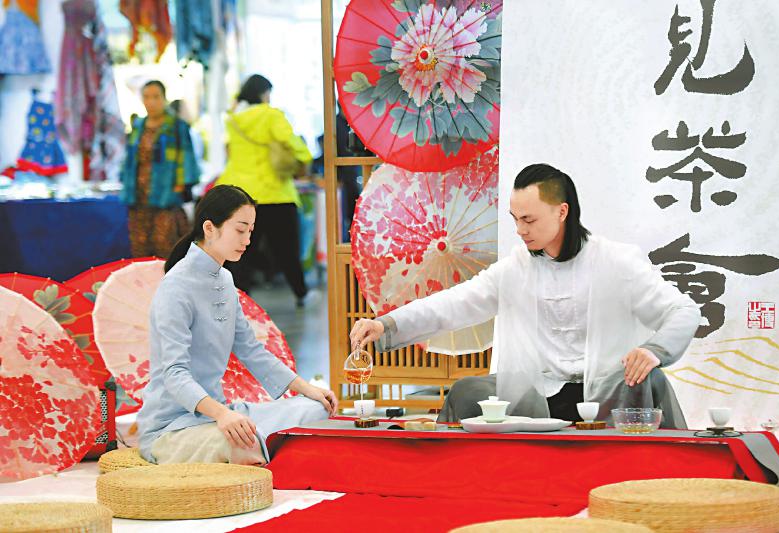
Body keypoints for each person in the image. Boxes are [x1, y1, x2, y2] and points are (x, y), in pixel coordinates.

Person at [349, 164, 700, 427]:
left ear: (562, 211)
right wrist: (387, 324)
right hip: (537, 395)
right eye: (515, 219)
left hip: (606, 393)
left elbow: (683, 310)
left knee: (649, 380)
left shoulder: (616, 261)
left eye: (529, 220)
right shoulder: (516, 268)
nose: (520, 230)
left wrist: (654, 351)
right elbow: (454, 304)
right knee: (467, 391)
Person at [136, 185, 337, 464]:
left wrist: (307, 388)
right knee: (242, 442)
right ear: (209, 228)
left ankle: (262, 448)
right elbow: (174, 374)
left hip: (221, 414)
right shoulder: (176, 286)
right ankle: (262, 449)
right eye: (240, 230)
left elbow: (251, 350)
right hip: (173, 427)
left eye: (251, 231)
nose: (247, 240)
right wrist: (222, 414)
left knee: (316, 410)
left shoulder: (225, 280)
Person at [216, 74, 313, 304]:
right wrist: (304, 157)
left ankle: (240, 299)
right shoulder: (271, 115)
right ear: (263, 93)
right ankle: (300, 293)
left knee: (241, 251)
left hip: (240, 195)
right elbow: (293, 144)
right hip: (275, 193)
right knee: (287, 249)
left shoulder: (234, 119)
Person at [120, 80, 201, 258]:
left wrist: (180, 186)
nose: (151, 102)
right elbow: (129, 160)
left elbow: (187, 159)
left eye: (156, 97)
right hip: (138, 195)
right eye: (146, 97)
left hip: (166, 194)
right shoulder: (138, 126)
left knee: (165, 242)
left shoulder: (177, 126)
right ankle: (143, 276)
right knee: (140, 243)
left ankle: (168, 275)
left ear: (164, 98)